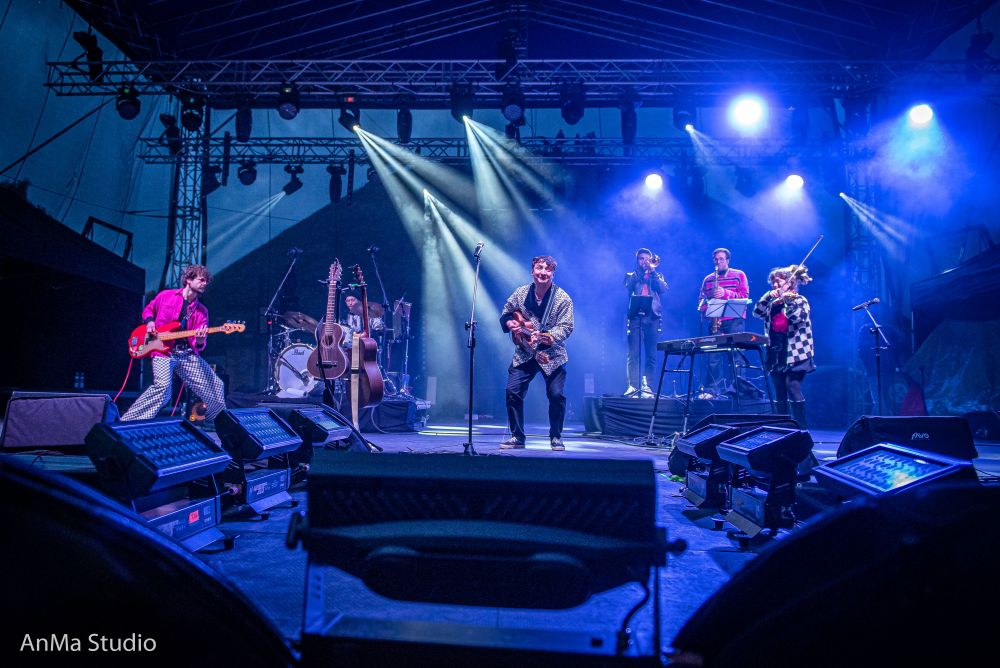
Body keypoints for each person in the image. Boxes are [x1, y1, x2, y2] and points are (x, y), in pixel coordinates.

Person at [121, 264, 226, 422]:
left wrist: (200, 340)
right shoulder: (166, 296)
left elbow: (198, 346)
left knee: (216, 386)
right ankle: (129, 422)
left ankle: (217, 422)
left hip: (186, 354)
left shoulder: (202, 311)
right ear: (188, 280)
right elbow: (149, 309)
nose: (205, 284)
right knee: (163, 389)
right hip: (163, 352)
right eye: (201, 280)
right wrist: (150, 322)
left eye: (206, 281)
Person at [499, 255, 575, 451]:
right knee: (512, 391)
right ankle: (517, 437)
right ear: (532, 271)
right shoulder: (521, 293)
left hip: (552, 355)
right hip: (525, 352)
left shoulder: (562, 298)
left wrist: (549, 336)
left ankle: (556, 437)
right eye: (539, 268)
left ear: (553, 274)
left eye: (548, 269)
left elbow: (567, 326)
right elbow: (506, 312)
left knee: (556, 395)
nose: (543, 272)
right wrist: (511, 323)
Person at [753, 264, 815, 427]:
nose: (775, 285)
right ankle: (783, 429)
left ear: (790, 282)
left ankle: (801, 429)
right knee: (779, 391)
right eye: (773, 283)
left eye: (779, 282)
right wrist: (768, 296)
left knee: (792, 387)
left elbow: (795, 318)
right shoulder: (772, 303)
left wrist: (787, 301)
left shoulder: (800, 300)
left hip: (796, 352)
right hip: (776, 353)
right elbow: (757, 313)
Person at [697, 247, 750, 396]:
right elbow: (701, 301)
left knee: (736, 356)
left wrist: (725, 293)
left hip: (734, 321)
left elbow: (744, 296)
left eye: (721, 259)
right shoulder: (708, 279)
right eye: (716, 259)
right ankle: (712, 390)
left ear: (727, 260)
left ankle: (739, 390)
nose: (718, 262)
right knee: (713, 357)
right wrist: (708, 312)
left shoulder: (739, 275)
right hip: (715, 322)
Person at [624, 248, 669, 397]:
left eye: (647, 259)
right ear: (637, 261)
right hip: (635, 317)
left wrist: (653, 271)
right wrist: (641, 273)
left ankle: (648, 386)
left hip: (653, 317)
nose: (645, 261)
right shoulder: (631, 275)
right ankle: (633, 386)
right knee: (633, 354)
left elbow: (663, 289)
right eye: (641, 259)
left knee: (651, 354)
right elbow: (629, 285)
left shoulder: (657, 276)